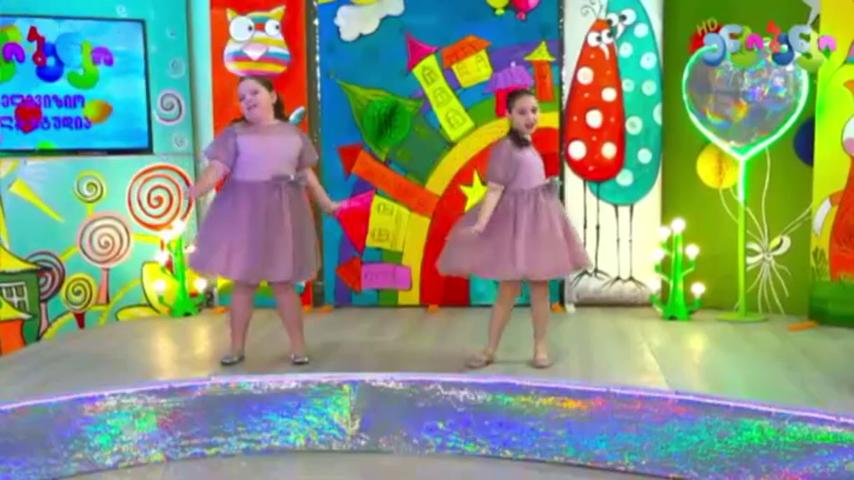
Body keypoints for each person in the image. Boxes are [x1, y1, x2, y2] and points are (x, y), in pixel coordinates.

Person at [187, 75, 339, 367]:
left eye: (253, 92)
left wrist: (326, 203)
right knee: (244, 283)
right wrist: (196, 189)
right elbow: (217, 169)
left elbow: (307, 175)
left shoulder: (293, 134)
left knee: (283, 283)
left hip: (283, 215)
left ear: (273, 96)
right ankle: (236, 347)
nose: (247, 100)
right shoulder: (235, 134)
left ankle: (298, 347)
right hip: (246, 216)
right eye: (241, 98)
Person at [437, 88, 590, 369]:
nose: (530, 117)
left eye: (534, 110)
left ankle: (540, 347)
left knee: (540, 287)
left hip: (537, 223)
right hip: (517, 226)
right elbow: (495, 190)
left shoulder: (528, 145)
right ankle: (490, 348)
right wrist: (482, 223)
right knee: (508, 288)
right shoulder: (505, 148)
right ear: (508, 115)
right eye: (522, 112)